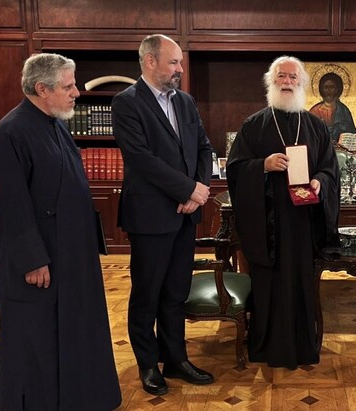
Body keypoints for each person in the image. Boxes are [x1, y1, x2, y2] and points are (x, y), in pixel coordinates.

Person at [0, 53, 121, 410]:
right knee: (38, 338)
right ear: (41, 88)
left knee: (77, 329)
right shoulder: (11, 133)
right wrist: (33, 260)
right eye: (69, 86)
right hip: (41, 260)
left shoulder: (56, 123)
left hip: (73, 253)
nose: (77, 92)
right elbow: (12, 207)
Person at [112, 34, 215, 395]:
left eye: (180, 63)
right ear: (150, 62)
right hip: (151, 217)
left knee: (175, 292)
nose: (180, 70)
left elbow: (204, 148)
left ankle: (176, 359)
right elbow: (141, 160)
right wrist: (187, 189)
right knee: (147, 293)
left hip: (185, 214)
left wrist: (198, 191)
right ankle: (147, 364)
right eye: (173, 63)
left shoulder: (185, 102)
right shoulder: (126, 104)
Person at [226, 56, 340, 369]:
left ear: (302, 83)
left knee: (301, 284)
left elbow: (330, 168)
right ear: (271, 81)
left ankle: (303, 347)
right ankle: (266, 347)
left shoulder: (316, 125)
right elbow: (234, 170)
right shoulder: (254, 125)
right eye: (281, 76)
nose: (287, 81)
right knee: (270, 285)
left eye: (293, 77)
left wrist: (320, 180)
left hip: (303, 223)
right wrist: (262, 165)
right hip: (269, 225)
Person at [309, 71, 356, 142]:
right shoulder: (315, 111)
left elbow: (351, 131)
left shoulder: (343, 110)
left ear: (337, 89)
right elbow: (309, 133)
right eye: (326, 87)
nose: (329, 91)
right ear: (321, 89)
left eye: (332, 87)